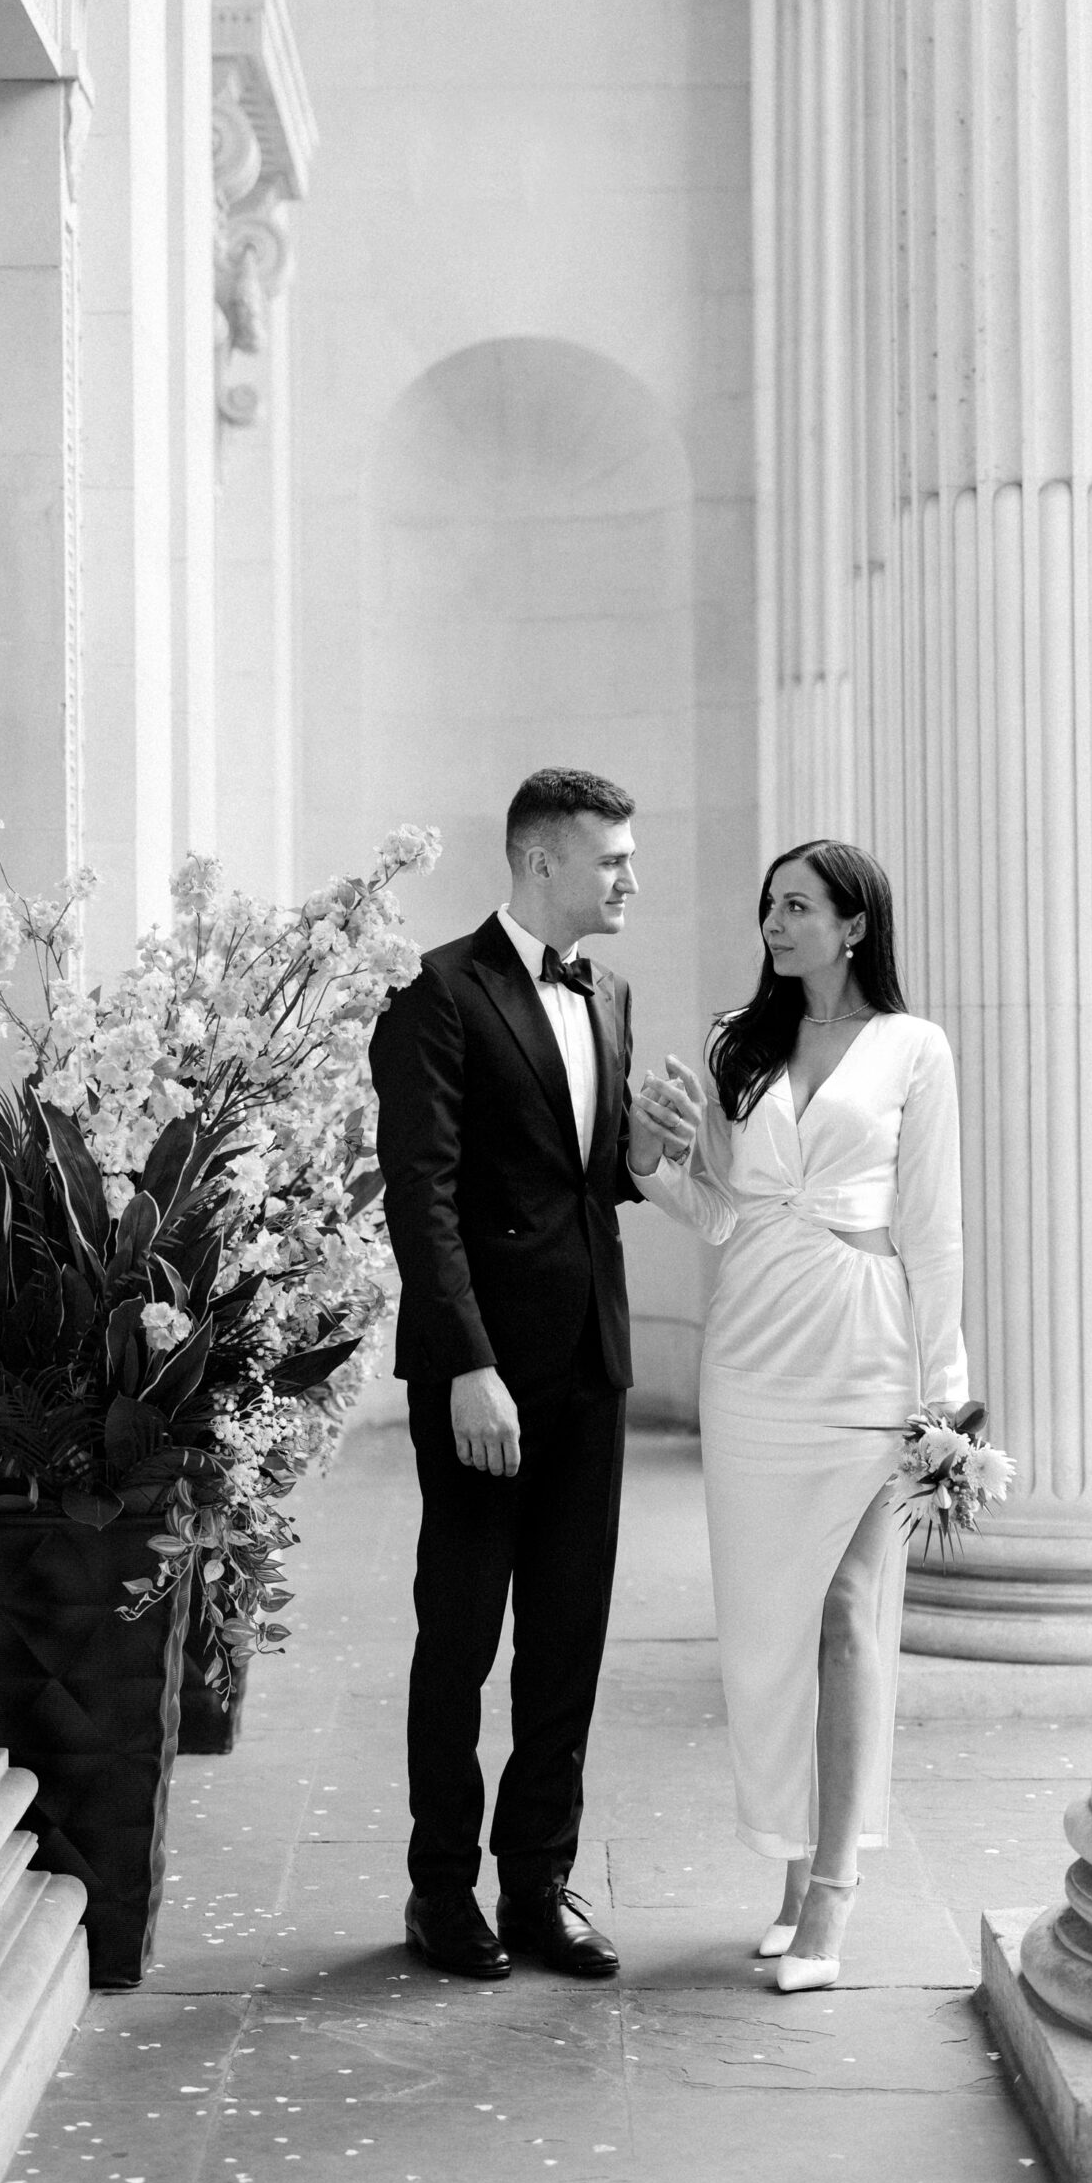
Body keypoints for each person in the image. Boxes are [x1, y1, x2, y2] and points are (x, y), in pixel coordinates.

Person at [368, 766, 695, 1981]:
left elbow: (586, 1173)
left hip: (589, 1363)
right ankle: (440, 1887)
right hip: (482, 1374)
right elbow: (426, 1195)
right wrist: (467, 1366)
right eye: (612, 860)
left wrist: (644, 1147)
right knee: (460, 1633)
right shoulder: (436, 993)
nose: (631, 880)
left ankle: (538, 1887)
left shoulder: (608, 991)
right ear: (542, 860)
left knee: (568, 1635)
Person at [631, 839, 967, 1992]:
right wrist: (650, 1151)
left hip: (866, 1353)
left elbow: (933, 1232)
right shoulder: (746, 1045)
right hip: (753, 1356)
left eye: (797, 905)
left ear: (854, 924)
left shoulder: (915, 1049)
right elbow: (721, 1213)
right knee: (770, 1627)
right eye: (768, 903)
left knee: (846, 1613)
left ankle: (831, 1894)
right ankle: (784, 1871)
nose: (774, 922)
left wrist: (944, 1398)